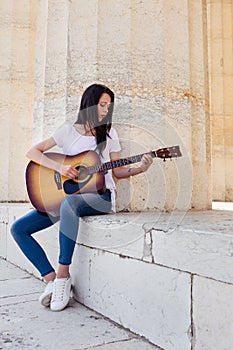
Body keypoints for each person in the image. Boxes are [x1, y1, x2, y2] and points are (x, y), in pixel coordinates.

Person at [10, 83, 153, 312]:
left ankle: (63, 275)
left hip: (101, 197)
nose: (106, 110)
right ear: (90, 103)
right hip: (69, 197)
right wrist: (60, 168)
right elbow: (32, 152)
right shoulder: (68, 131)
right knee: (18, 229)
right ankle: (51, 280)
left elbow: (117, 172)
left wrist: (141, 168)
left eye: (109, 106)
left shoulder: (108, 135)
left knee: (69, 203)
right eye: (102, 104)